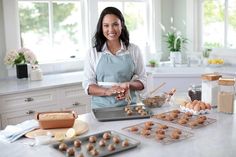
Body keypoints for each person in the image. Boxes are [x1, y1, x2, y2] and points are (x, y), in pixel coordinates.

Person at [83, 7, 147, 108]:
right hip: (100, 108)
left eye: (115, 24)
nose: (111, 30)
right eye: (106, 25)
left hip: (130, 107)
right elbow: (88, 86)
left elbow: (143, 80)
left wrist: (129, 85)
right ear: (101, 28)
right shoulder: (93, 53)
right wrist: (107, 91)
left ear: (122, 25)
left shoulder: (134, 50)